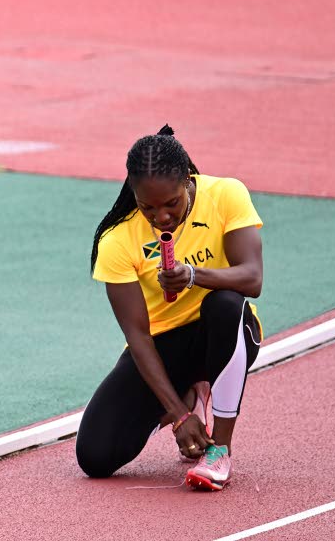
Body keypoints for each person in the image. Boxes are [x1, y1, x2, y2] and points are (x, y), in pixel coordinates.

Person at [75, 125, 263, 491]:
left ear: (188, 181)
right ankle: (191, 395)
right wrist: (178, 416)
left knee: (226, 305)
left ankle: (220, 450)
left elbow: (252, 279)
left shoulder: (226, 194)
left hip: (224, 333)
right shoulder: (117, 239)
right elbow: (138, 336)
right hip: (162, 346)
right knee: (95, 456)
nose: (161, 217)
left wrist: (193, 275)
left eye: (171, 204)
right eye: (148, 207)